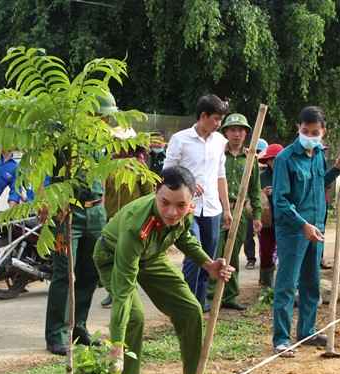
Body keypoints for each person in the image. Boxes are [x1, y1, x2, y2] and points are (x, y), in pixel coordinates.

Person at [94, 166, 234, 374]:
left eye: (181, 205)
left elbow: (184, 238)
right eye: (165, 203)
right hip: (114, 257)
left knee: (191, 309)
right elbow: (123, 291)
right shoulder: (138, 225)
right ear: (156, 192)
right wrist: (116, 344)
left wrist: (208, 264)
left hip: (152, 255)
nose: (172, 212)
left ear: (192, 199)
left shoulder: (184, 212)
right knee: (134, 317)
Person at [271, 106, 340, 357]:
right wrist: (302, 225)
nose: (309, 135)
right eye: (305, 130)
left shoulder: (318, 154)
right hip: (294, 230)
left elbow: (319, 184)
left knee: (312, 282)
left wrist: (337, 168)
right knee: (287, 284)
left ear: (322, 132)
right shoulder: (285, 158)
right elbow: (281, 201)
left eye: (314, 132)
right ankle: (282, 339)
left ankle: (307, 331)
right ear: (299, 128)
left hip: (315, 228)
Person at [43, 91, 115, 356]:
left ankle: (78, 329)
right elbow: (47, 170)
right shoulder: (66, 137)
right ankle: (56, 334)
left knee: (89, 272)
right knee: (65, 273)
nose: (106, 121)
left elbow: (104, 176)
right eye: (103, 116)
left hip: (95, 211)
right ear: (89, 113)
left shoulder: (104, 140)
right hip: (68, 212)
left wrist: (103, 207)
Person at [164, 94, 231, 312]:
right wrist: (187, 181)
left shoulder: (220, 141)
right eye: (216, 118)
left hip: (212, 208)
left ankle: (200, 303)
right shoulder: (180, 139)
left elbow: (221, 175)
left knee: (209, 260)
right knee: (194, 256)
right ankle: (186, 305)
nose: (219, 124)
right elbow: (167, 172)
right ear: (203, 116)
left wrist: (227, 209)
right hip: (188, 208)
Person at [205, 113, 262, 311]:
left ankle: (229, 295)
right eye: (232, 130)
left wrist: (256, 216)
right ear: (226, 132)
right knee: (216, 251)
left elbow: (255, 189)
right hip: (219, 209)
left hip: (240, 211)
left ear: (246, 133)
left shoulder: (250, 158)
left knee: (234, 254)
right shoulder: (219, 153)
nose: (236, 134)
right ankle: (211, 295)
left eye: (240, 130)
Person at [99, 128, 153, 308]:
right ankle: (113, 292)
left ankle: (129, 293)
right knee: (112, 257)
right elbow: (103, 192)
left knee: (127, 258)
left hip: (132, 221)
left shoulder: (139, 166)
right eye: (116, 140)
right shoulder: (108, 165)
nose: (119, 145)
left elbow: (148, 195)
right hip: (111, 220)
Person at [256, 143, 283, 288]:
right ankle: (266, 285)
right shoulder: (261, 177)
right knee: (266, 252)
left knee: (285, 252)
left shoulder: (289, 174)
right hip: (267, 221)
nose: (273, 162)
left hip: (285, 221)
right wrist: (262, 193)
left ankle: (284, 283)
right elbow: (253, 196)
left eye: (276, 159)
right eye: (271, 159)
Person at [244, 138, 268, 269]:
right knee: (248, 234)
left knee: (265, 235)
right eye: (257, 151)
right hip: (249, 205)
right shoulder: (249, 163)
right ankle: (250, 259)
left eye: (261, 151)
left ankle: (267, 260)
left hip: (265, 208)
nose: (259, 154)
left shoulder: (269, 168)